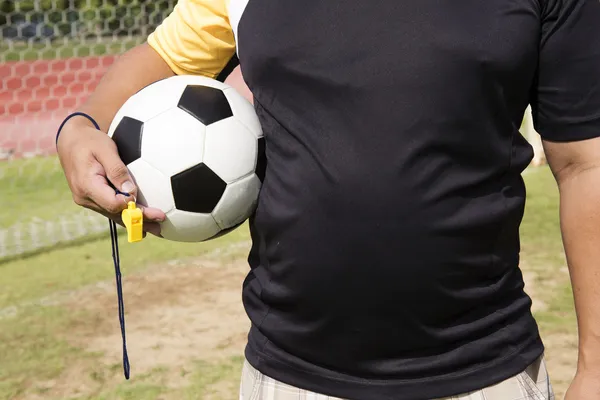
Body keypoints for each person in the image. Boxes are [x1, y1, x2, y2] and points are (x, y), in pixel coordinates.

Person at [56, 0, 600, 398]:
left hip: (488, 373)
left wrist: (595, 372)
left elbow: (585, 164)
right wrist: (78, 128)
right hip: (289, 377)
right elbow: (154, 61)